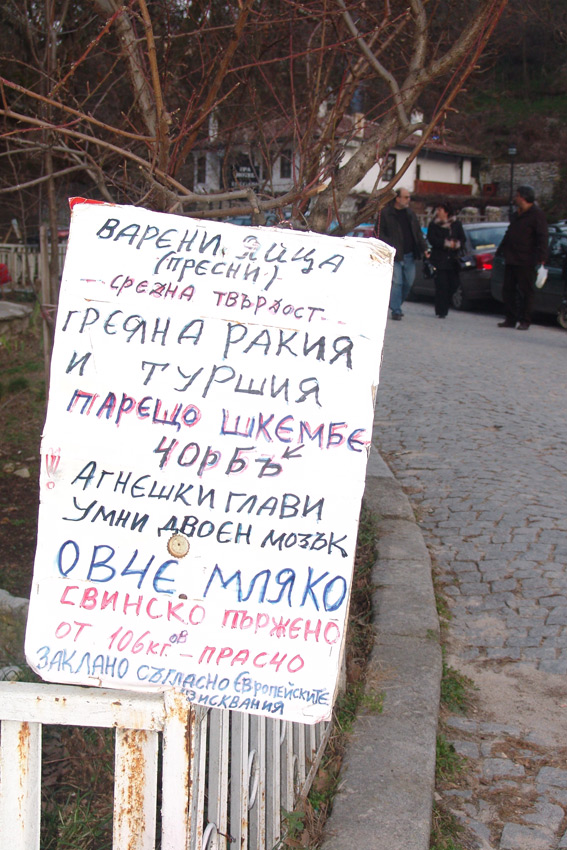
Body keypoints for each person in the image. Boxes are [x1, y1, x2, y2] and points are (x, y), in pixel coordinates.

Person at [496, 185, 548, 330]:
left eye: (517, 195)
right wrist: (501, 249)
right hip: (511, 257)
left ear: (524, 197)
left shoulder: (537, 215)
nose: (515, 198)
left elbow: (542, 236)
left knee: (526, 291)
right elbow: (510, 232)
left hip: (526, 259)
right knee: (508, 290)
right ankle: (510, 318)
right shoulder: (517, 214)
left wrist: (542, 257)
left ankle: (525, 320)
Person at [377, 187, 429, 321]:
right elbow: (379, 233)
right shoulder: (386, 214)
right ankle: (396, 310)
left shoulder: (410, 214)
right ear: (397, 198)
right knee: (397, 282)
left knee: (408, 282)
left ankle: (394, 304)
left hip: (410, 254)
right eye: (406, 197)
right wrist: (389, 246)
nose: (408, 200)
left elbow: (418, 233)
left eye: (409, 197)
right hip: (395, 254)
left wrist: (424, 248)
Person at [426, 202, 466, 318]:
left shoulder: (456, 224)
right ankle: (441, 310)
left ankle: (445, 304)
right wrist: (446, 243)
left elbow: (463, 239)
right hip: (439, 260)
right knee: (441, 285)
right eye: (437, 210)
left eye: (440, 210)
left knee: (454, 284)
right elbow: (432, 239)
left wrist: (456, 244)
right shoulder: (434, 225)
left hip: (453, 260)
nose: (438, 212)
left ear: (446, 212)